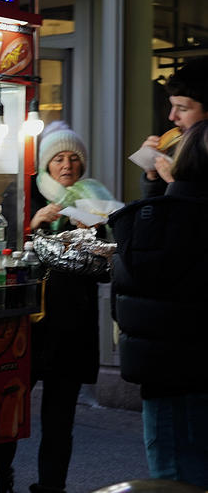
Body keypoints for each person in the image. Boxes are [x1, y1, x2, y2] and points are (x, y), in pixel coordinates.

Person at [0, 122, 116, 493]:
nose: (67, 166)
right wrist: (33, 224)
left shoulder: (94, 199)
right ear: (45, 163)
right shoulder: (22, 195)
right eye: (59, 158)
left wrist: (92, 237)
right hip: (25, 324)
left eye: (74, 159)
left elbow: (106, 270)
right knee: (8, 409)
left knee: (60, 419)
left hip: (72, 327)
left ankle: (52, 486)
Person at [109, 119, 208, 488]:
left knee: (175, 477)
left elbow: (127, 306)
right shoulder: (180, 219)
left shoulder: (153, 222)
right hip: (180, 374)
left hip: (167, 377)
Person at [138, 57, 208, 198]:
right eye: (172, 106)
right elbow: (155, 213)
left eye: (182, 108)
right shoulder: (178, 150)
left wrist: (175, 182)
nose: (172, 116)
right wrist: (153, 175)